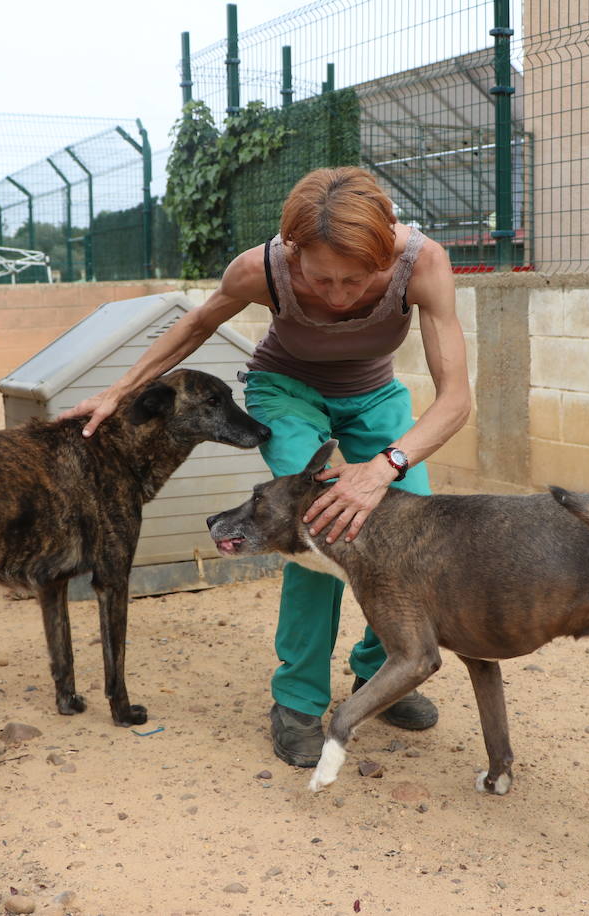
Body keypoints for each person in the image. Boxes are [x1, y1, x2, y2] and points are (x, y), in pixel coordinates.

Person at [62, 166, 471, 767]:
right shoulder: (260, 269)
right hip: (287, 387)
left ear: (385, 252)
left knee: (410, 533)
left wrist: (385, 466)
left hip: (376, 395)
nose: (336, 296)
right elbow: (198, 325)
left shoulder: (423, 264)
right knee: (314, 525)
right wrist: (120, 391)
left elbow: (456, 399)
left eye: (354, 281)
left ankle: (377, 674)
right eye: (320, 278)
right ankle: (298, 701)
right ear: (291, 250)